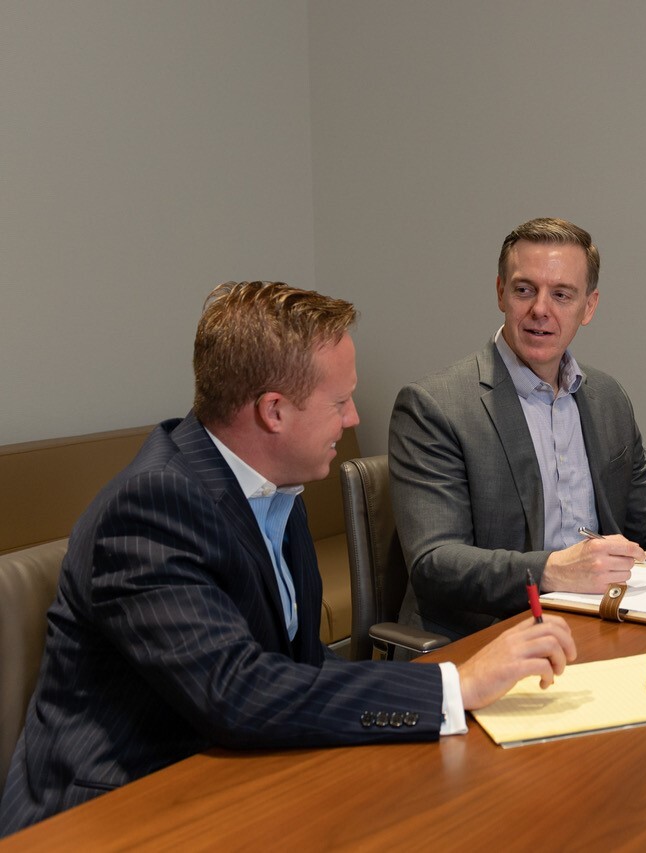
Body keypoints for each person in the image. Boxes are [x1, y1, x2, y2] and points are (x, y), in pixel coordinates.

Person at [0, 282, 576, 835]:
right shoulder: (151, 507)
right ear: (273, 411)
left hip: (232, 772)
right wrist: (455, 686)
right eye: (340, 402)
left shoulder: (276, 484)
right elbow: (236, 690)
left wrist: (454, 690)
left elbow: (300, 666)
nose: (353, 419)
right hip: (115, 811)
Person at [390, 217, 646, 639]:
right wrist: (554, 570)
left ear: (588, 307)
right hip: (491, 633)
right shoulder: (434, 406)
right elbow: (435, 563)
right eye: (524, 290)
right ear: (501, 292)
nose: (540, 309)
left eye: (561, 294)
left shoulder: (607, 397)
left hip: (602, 620)